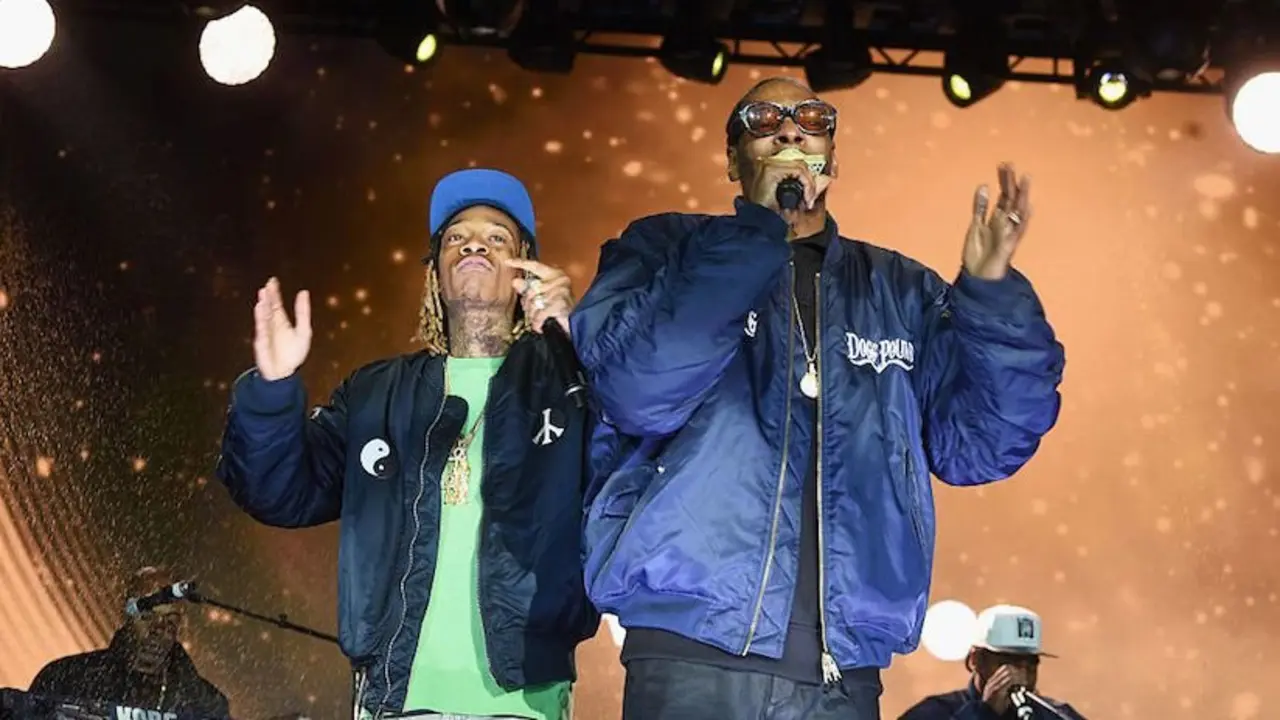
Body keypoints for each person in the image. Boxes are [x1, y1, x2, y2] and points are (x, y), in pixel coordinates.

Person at [570, 76, 1066, 719]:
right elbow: (640, 389)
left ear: (831, 158)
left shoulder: (898, 290)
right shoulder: (667, 248)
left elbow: (984, 445)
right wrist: (755, 230)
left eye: (810, 118)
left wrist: (992, 291)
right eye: (763, 118)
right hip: (690, 653)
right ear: (731, 159)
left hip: (843, 674)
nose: (788, 128)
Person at [216, 168, 598, 720]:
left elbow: (639, 450)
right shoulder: (378, 394)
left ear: (526, 270)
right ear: (435, 276)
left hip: (527, 701)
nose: (473, 244)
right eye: (455, 237)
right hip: (397, 698)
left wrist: (573, 334)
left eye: (497, 237)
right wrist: (272, 393)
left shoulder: (569, 383)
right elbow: (278, 493)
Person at [28, 566, 229, 716]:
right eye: (147, 617)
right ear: (126, 616)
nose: (158, 630)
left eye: (170, 621)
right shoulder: (66, 679)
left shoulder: (207, 703)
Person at [899, 605, 1085, 719]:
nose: (1020, 676)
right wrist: (984, 713)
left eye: (1030, 666)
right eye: (1008, 664)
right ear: (975, 660)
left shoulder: (1056, 714)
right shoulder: (936, 712)